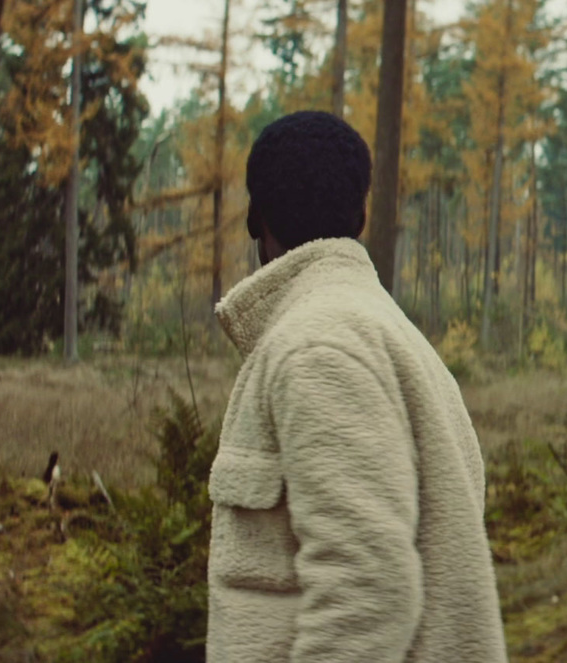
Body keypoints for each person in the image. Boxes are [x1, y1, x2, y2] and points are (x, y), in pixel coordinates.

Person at [205, 111, 508, 662]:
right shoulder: (383, 330)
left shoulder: (318, 347)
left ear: (255, 219)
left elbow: (367, 592)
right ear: (363, 215)